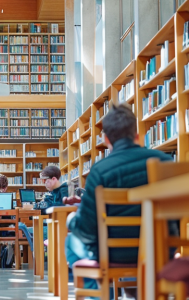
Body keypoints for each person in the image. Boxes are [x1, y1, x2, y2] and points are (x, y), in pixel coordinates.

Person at [65, 103, 174, 298]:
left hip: (117, 253)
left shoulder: (100, 170)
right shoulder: (165, 162)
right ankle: (139, 291)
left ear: (106, 139)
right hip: (160, 249)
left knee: (71, 242)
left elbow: (87, 230)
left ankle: (99, 294)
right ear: (137, 134)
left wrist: (72, 220)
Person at [0, 174, 35, 255]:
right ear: (6, 186)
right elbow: (13, 216)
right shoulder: (7, 196)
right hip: (8, 229)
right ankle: (30, 251)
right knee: (22, 226)